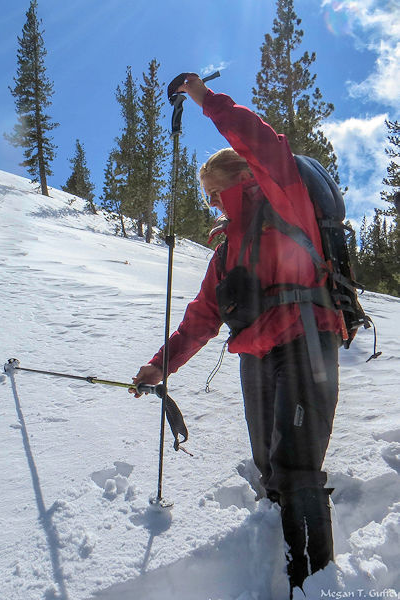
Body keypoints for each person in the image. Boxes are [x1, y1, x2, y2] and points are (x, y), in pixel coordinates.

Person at [131, 74, 343, 595]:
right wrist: (163, 364)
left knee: (296, 466)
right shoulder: (226, 251)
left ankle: (315, 584)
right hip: (257, 355)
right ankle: (282, 563)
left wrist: (205, 100)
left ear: (234, 179)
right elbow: (202, 316)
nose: (209, 203)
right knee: (270, 467)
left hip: (305, 340)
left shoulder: (283, 201)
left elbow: (263, 143)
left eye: (211, 193)